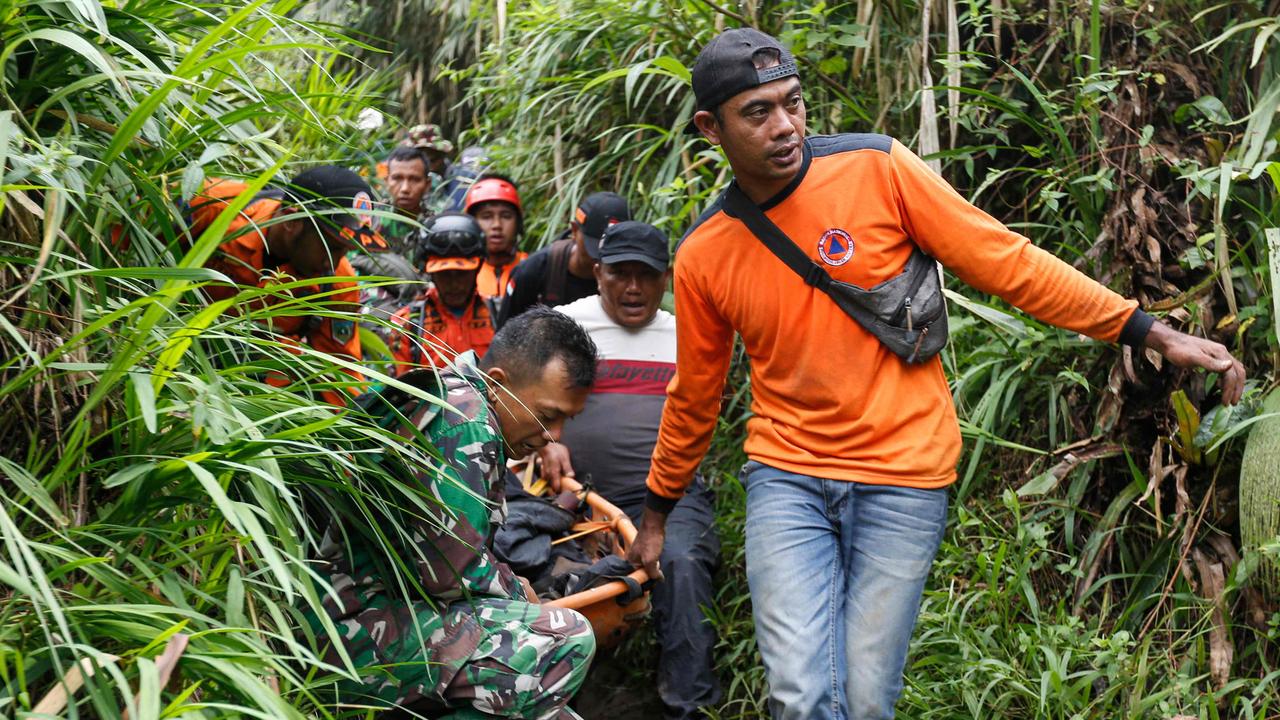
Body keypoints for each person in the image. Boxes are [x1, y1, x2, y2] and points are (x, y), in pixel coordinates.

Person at [627, 28, 1248, 720]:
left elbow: (1008, 262)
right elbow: (695, 396)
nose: (785, 126)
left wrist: (1148, 329)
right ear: (711, 127)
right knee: (800, 694)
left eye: (794, 103)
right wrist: (656, 512)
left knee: (865, 699)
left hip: (904, 473)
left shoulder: (877, 168)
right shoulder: (707, 252)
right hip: (787, 476)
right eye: (758, 113)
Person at [307, 306, 600, 718]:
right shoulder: (466, 421)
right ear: (498, 385)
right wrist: (521, 593)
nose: (554, 436)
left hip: (354, 614)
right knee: (569, 637)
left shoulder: (452, 395)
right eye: (547, 415)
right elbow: (448, 574)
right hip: (343, 632)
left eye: (565, 421)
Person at [538, 221, 721, 719]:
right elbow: (517, 393)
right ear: (598, 272)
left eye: (648, 275)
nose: (634, 287)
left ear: (667, 279)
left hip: (669, 496)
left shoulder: (688, 334)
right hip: (573, 500)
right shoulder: (564, 327)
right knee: (541, 578)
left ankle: (689, 705)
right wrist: (550, 437)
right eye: (621, 273)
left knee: (682, 563)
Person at [191, 166, 387, 405]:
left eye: (347, 250)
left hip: (260, 391)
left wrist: (354, 431)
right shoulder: (211, 204)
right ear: (293, 220)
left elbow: (339, 370)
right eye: (332, 247)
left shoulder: (338, 283)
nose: (334, 262)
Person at [497, 192, 631, 327]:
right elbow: (504, 336)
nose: (601, 260)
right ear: (574, 230)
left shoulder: (634, 276)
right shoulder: (534, 271)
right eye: (596, 249)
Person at [387, 212, 496, 374]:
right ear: (431, 273)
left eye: (462, 273)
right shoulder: (407, 323)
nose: (454, 284)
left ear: (477, 269)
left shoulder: (499, 314)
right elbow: (401, 389)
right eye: (444, 274)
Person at [466, 174, 529, 302]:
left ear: (518, 222)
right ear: (471, 223)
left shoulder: (533, 268)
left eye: (506, 216)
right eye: (486, 216)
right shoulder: (462, 275)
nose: (497, 225)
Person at [377, 145, 433, 254]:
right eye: (397, 178)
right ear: (386, 181)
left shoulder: (435, 224)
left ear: (427, 185)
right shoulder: (372, 220)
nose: (405, 188)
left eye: (415, 179)